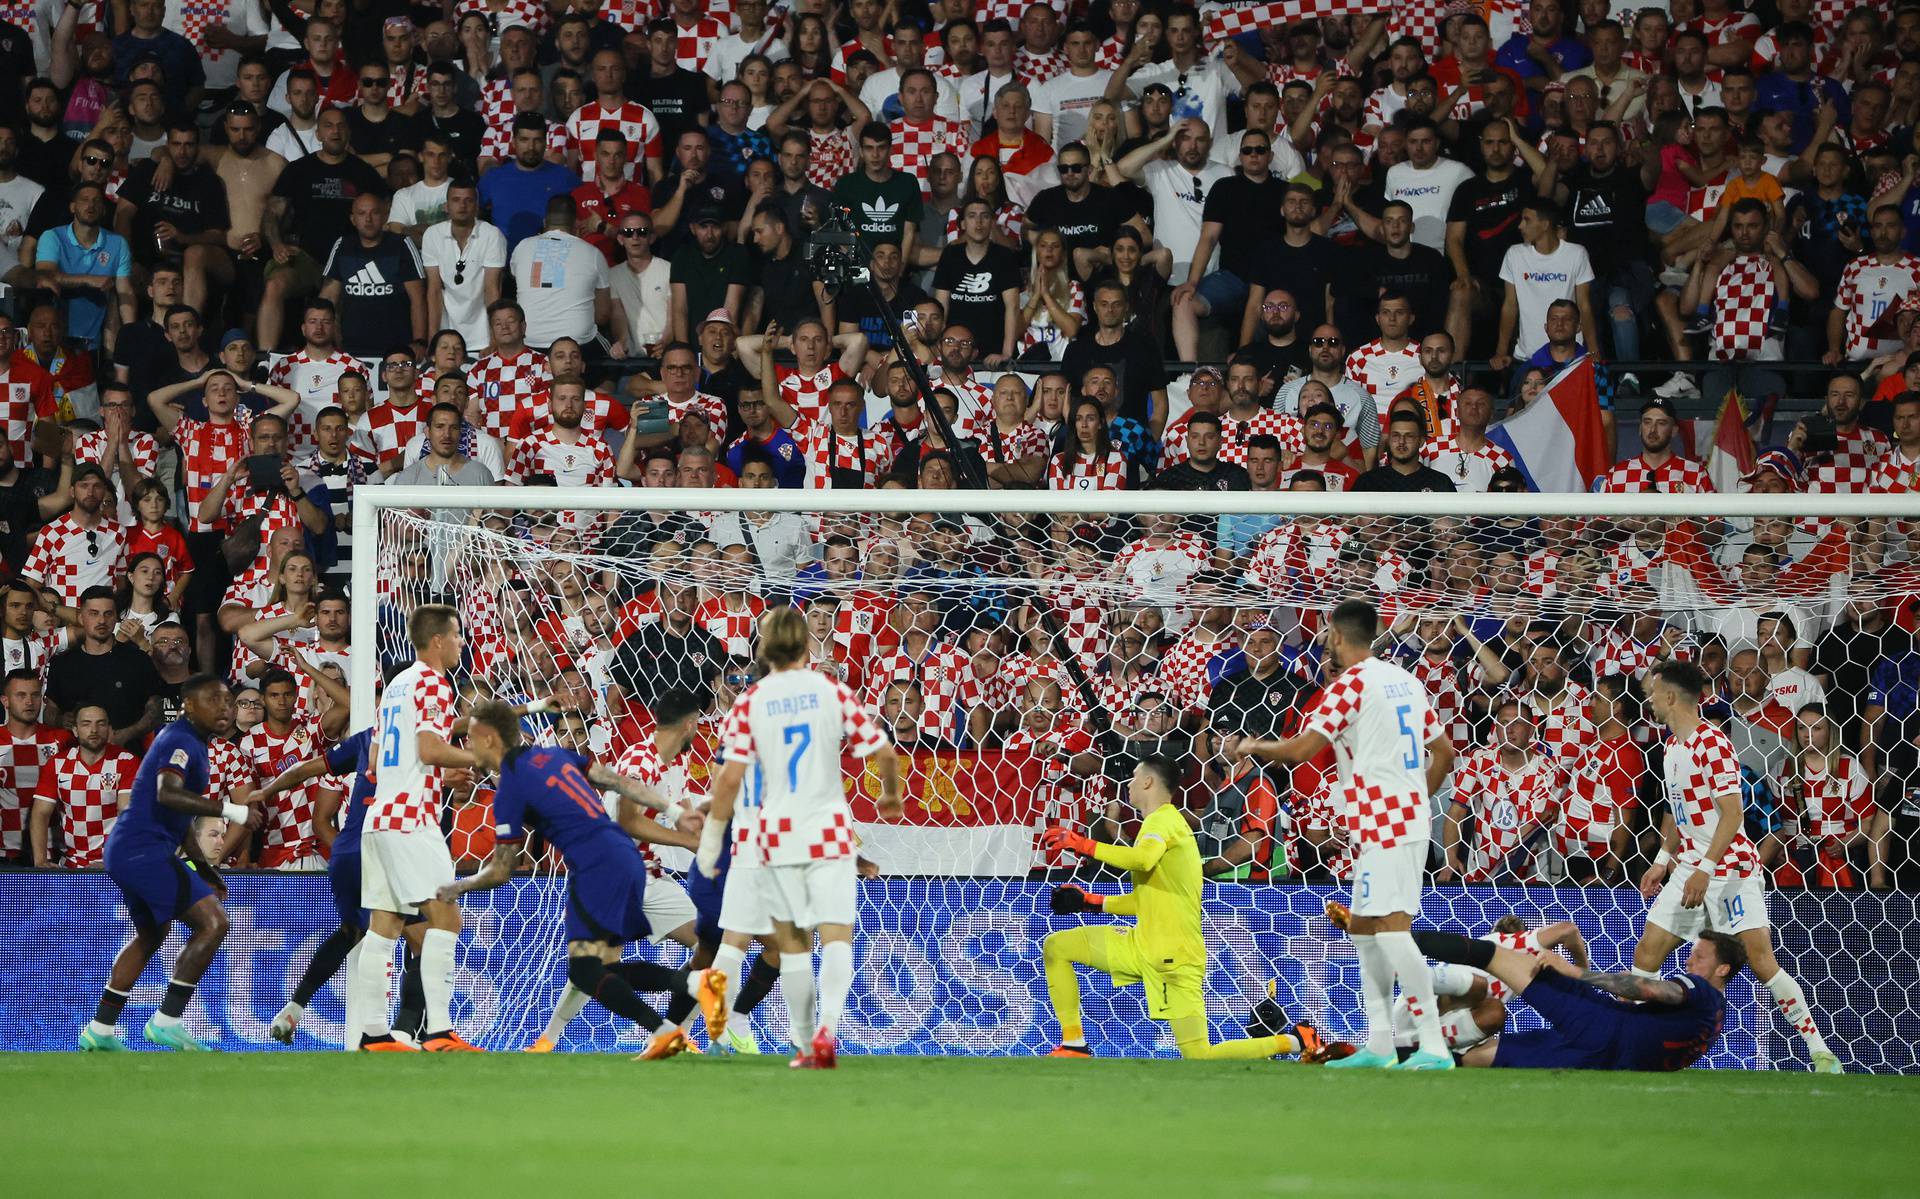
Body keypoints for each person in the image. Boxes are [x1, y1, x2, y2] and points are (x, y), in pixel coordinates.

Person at [1229, 598, 1458, 1069]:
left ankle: (1434, 1047)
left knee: (1392, 932)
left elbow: (1300, 750)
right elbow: (1445, 752)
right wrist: (1415, 799)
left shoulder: (1350, 684)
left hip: (1386, 824)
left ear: (1335, 635)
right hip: (1392, 822)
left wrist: (1251, 744)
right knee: (1366, 932)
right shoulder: (1405, 680)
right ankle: (1378, 1044)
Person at [444, 698, 729, 1060]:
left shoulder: (510, 789)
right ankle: (673, 1018)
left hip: (596, 865)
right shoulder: (555, 756)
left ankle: (684, 999)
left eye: (468, 737)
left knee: (585, 970)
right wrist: (672, 810)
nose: (465, 745)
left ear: (487, 739)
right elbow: (616, 781)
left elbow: (502, 869)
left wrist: (459, 886)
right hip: (624, 858)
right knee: (598, 968)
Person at [697, 607, 903, 1068]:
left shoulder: (750, 701)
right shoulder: (830, 690)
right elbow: (885, 753)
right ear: (808, 645)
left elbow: (727, 780)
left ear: (764, 647)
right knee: (835, 938)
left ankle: (777, 1036)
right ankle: (823, 1032)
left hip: (773, 835)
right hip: (828, 829)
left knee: (785, 943)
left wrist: (711, 844)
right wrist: (890, 797)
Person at [1630, 658, 1842, 1074]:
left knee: (1762, 962)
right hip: (1691, 866)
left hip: (1730, 868)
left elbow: (1733, 814)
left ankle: (1820, 1052)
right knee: (1647, 954)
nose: (1649, 699)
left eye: (1654, 692)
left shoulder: (1713, 743)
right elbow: (1677, 814)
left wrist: (1706, 867)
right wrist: (1661, 860)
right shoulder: (1671, 748)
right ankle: (1634, 1043)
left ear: (1671, 696)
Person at [1041, 753, 1321, 1061]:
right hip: (1140, 945)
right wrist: (1091, 902)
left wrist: (1083, 844)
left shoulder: (1165, 821)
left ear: (1148, 781)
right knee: (1057, 947)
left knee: (1198, 1055)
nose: (1129, 785)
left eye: (1134, 777)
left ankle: (1295, 1040)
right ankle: (1074, 1044)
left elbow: (1142, 860)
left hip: (1175, 957)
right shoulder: (1155, 824)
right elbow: (1145, 901)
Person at [78, 674, 261, 1051]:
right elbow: (167, 794)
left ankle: (100, 1029)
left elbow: (177, 819)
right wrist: (233, 810)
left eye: (229, 701)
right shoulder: (181, 740)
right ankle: (167, 1021)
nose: (225, 708)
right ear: (189, 706)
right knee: (214, 922)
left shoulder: (190, 741)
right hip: (143, 850)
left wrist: (205, 867)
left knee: (151, 935)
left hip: (131, 849)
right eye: (214, 700)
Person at [347, 604, 480, 1052]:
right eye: (458, 635)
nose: (462, 642)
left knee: (383, 926)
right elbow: (430, 747)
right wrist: (484, 757)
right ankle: (441, 1032)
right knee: (447, 917)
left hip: (379, 817)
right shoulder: (434, 682)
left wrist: (436, 774)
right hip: (411, 820)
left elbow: (376, 761)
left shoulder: (396, 685)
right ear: (439, 641)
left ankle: (374, 1034)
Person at [1408, 924, 1744, 1071]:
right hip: (1601, 1061)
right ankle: (1399, 1053)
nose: (1689, 960)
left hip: (1600, 1022)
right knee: (1473, 1061)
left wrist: (1574, 972)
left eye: (1699, 956)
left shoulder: (1700, 991)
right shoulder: (1715, 1016)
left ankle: (1399, 939)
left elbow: (1650, 988)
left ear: (1723, 969)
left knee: (1492, 955)